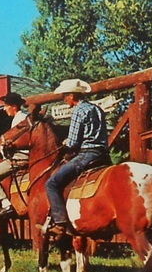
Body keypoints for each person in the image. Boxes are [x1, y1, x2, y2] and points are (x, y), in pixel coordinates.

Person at [46, 79, 108, 237]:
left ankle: (59, 223)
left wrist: (64, 145)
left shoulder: (78, 111)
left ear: (72, 95)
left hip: (86, 155)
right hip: (103, 155)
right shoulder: (97, 109)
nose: (63, 99)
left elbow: (73, 143)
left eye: (65, 96)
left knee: (52, 183)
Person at [0, 92, 29, 218]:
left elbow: (13, 143)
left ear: (14, 106)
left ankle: (5, 203)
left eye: (6, 105)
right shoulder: (25, 117)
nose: (4, 108)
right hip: (27, 155)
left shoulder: (18, 121)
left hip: (20, 157)